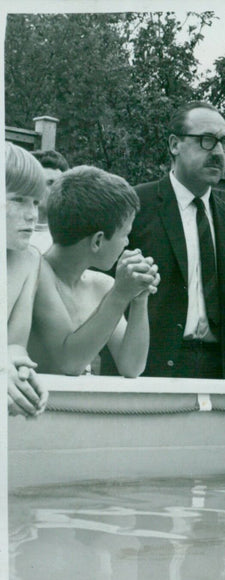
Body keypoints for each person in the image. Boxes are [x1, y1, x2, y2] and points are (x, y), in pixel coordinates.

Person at [118, 100, 225, 378]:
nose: (220, 152)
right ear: (175, 145)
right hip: (147, 368)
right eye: (207, 141)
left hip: (214, 370)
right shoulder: (136, 205)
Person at [28, 166, 160, 377]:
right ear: (98, 240)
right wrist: (120, 295)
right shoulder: (35, 272)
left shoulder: (100, 285)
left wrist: (139, 299)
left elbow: (132, 367)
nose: (126, 243)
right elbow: (69, 364)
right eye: (125, 234)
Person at [5, 142, 48, 417]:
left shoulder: (29, 259)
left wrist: (19, 370)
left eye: (35, 202)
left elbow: (14, 343)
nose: (32, 214)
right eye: (19, 199)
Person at [29, 149, 69, 253]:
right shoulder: (9, 231)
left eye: (60, 184)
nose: (56, 190)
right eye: (50, 183)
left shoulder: (68, 238)